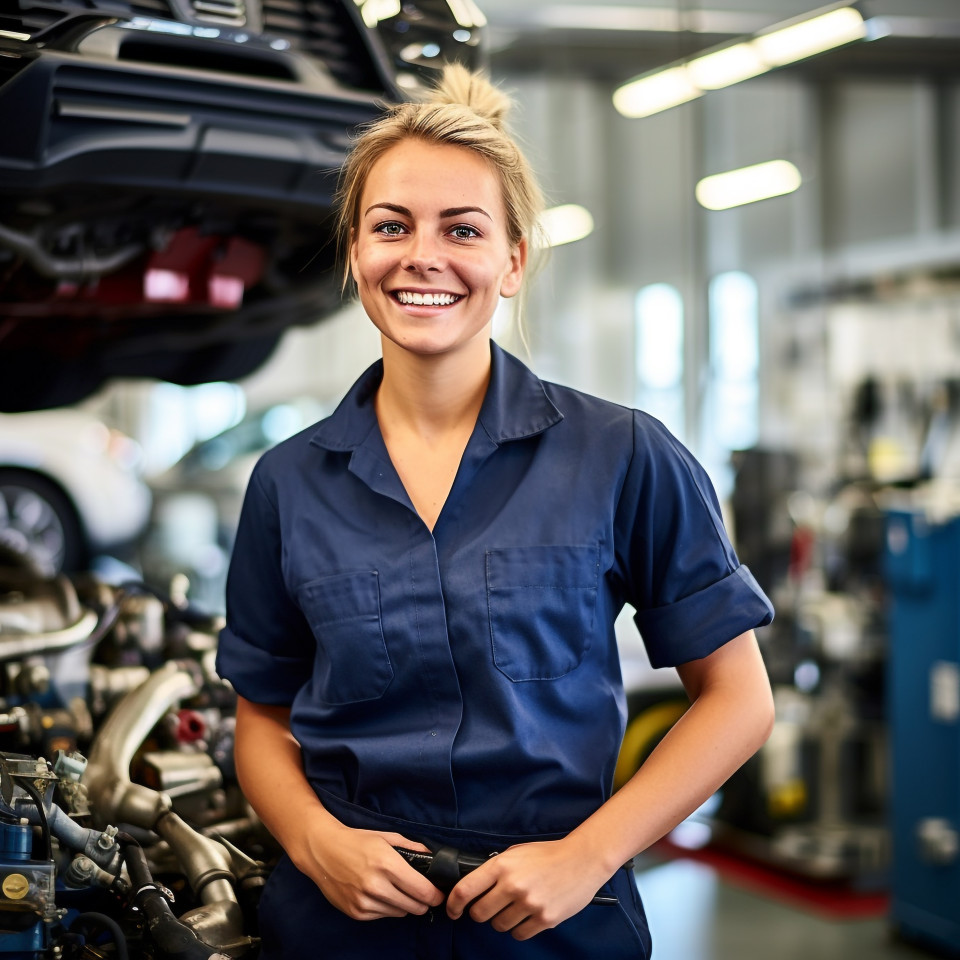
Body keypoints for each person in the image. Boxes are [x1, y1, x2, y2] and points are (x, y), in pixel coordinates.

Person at [215, 64, 775, 959]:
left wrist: (587, 857)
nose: (422, 256)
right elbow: (262, 722)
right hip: (346, 918)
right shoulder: (288, 482)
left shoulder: (622, 454)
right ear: (356, 255)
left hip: (554, 914)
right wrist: (318, 844)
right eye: (390, 226)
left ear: (513, 260)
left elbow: (737, 700)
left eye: (462, 229)